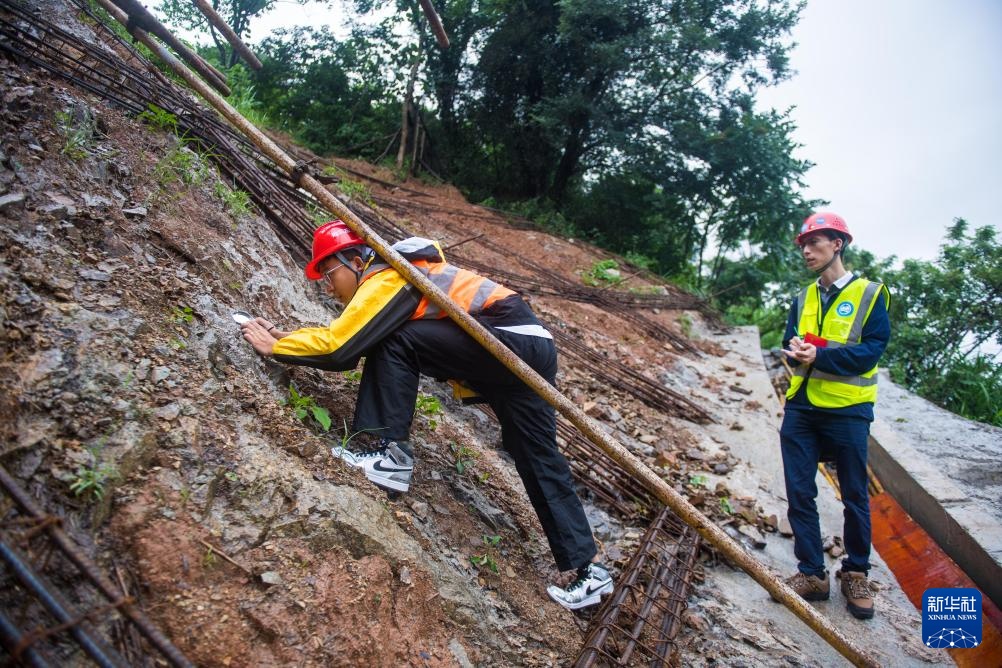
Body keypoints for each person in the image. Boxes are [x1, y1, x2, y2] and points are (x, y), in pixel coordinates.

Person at [240, 220, 613, 611]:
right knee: (538, 457)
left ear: (354, 260)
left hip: (506, 338)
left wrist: (276, 349)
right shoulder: (408, 272)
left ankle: (388, 455)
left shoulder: (388, 273)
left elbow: (341, 348)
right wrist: (287, 338)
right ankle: (590, 573)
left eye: (328, 274)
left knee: (395, 337)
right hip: (532, 344)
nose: (328, 288)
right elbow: (348, 337)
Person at [778, 212, 890, 620]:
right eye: (803, 245)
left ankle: (855, 572)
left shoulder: (870, 294)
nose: (806, 251)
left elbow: (871, 351)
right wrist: (794, 348)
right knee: (799, 491)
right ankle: (812, 573)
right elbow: (787, 340)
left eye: (815, 242)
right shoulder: (803, 298)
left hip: (848, 410)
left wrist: (820, 354)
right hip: (802, 407)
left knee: (855, 496)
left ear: (838, 244)